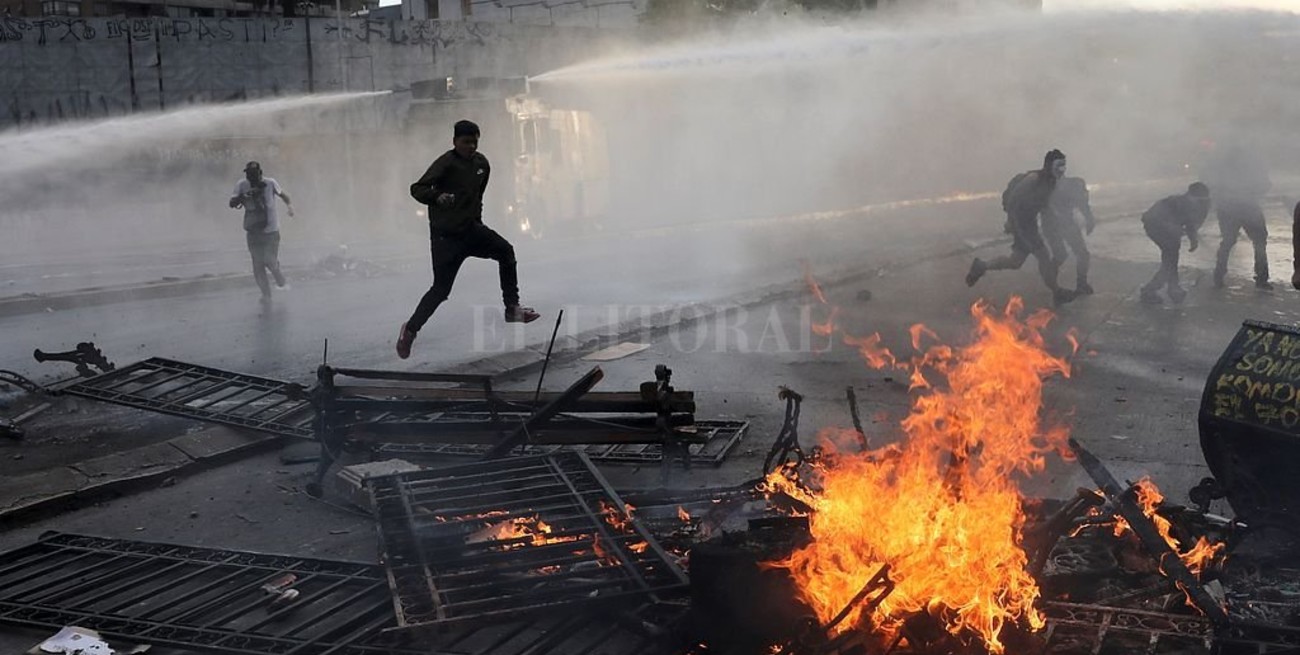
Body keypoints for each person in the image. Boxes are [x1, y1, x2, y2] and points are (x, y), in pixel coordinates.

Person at [397, 120, 539, 359]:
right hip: (446, 238)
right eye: (465, 142)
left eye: (474, 141)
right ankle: (410, 330)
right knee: (440, 290)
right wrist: (437, 196)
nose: (470, 146)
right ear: (455, 142)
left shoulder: (482, 164)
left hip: (471, 231)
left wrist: (477, 221)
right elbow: (417, 188)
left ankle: (512, 308)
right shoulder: (446, 163)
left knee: (506, 251)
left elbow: (477, 196)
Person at [967, 149, 1077, 306]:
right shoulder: (1033, 179)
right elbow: (1013, 201)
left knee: (1016, 261)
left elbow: (1043, 204)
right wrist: (1011, 222)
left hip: (1029, 224)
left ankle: (981, 266)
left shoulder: (1050, 182)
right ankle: (1057, 292)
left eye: (1064, 166)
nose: (1062, 170)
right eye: (1059, 165)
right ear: (1048, 165)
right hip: (1022, 225)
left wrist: (1058, 219)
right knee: (1044, 257)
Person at [1204, 145, 1272, 290]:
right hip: (1249, 208)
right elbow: (1265, 185)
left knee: (1228, 242)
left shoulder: (1220, 170)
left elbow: (1212, 188)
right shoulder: (1253, 169)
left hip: (1229, 209)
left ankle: (1219, 275)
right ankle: (1261, 278)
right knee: (1259, 242)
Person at [229, 161, 293, 303]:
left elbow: (284, 195)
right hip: (253, 231)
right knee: (257, 265)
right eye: (249, 175)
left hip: (271, 231)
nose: (251, 177)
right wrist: (245, 196)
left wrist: (290, 207)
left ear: (260, 173)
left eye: (254, 174)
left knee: (269, 260)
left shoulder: (270, 183)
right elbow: (232, 203)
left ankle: (279, 277)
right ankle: (266, 295)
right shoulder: (242, 185)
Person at [1138, 182, 1211, 305]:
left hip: (1164, 229)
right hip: (1157, 228)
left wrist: (1192, 238)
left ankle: (1170, 289)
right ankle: (1155, 290)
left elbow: (1189, 224)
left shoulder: (1185, 201)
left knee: (1171, 260)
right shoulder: (1180, 203)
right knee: (1170, 260)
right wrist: (1189, 237)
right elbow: (1189, 224)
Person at [1043, 175, 1098, 295]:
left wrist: (1089, 220)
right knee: (1061, 255)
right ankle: (1054, 287)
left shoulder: (1075, 186)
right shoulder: (1051, 188)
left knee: (1082, 254)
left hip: (1066, 223)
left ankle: (1081, 284)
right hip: (1052, 224)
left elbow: (1083, 206)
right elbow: (1046, 207)